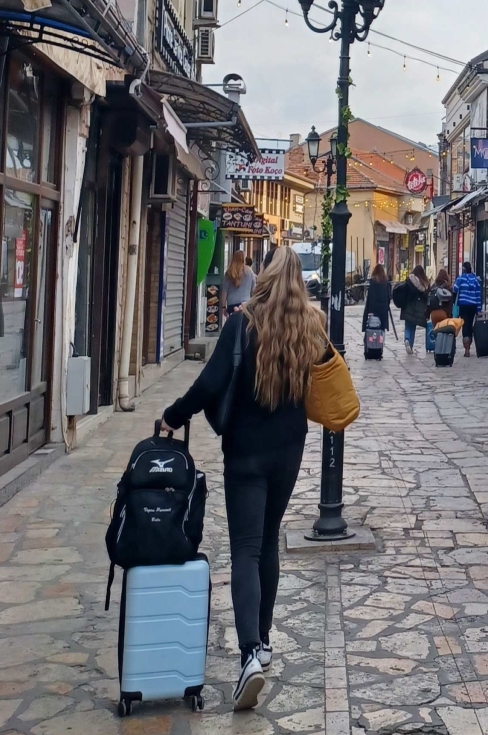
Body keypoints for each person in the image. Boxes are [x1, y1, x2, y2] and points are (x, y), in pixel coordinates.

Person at [161, 247, 328, 711]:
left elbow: (209, 385)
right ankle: (266, 639)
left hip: (245, 453)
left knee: (245, 549)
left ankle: (250, 651)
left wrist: (172, 417)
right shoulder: (312, 327)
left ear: (265, 278)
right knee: (268, 542)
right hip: (288, 451)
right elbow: (329, 377)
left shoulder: (242, 323)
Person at [453, 258, 484, 356]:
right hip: (473, 305)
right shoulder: (476, 280)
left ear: (464, 269)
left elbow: (454, 289)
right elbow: (479, 295)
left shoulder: (460, 279)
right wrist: (479, 309)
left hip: (463, 305)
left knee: (465, 325)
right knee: (470, 324)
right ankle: (469, 344)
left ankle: (467, 348)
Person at [394, 266, 430, 350]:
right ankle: (411, 345)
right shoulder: (424, 284)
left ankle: (407, 339)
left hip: (408, 307)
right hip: (418, 309)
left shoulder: (409, 281)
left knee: (408, 326)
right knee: (413, 327)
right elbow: (427, 297)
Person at [363, 263, 394, 343]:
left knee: (372, 326)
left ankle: (371, 342)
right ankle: (381, 343)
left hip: (373, 309)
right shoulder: (386, 282)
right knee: (382, 327)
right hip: (383, 309)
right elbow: (389, 296)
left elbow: (370, 297)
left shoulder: (372, 282)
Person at [222, 250, 255, 316]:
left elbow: (224, 291)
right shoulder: (249, 272)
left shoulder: (229, 272)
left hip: (232, 305)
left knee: (233, 324)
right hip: (245, 305)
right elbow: (254, 290)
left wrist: (223, 307)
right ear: (244, 259)